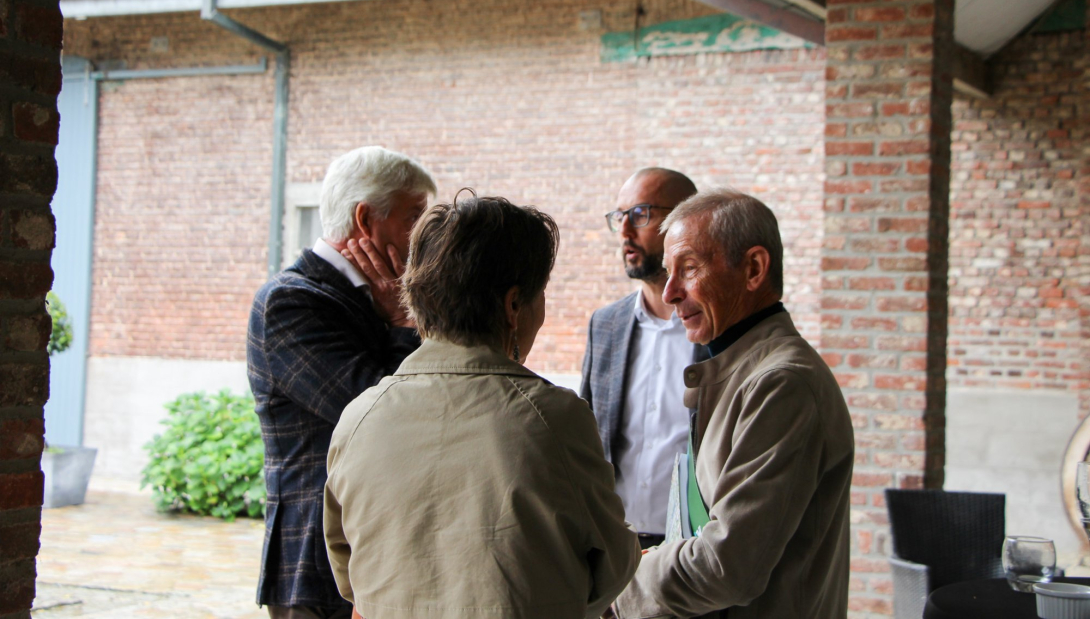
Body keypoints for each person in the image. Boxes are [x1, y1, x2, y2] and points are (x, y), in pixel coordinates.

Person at [324, 192, 640, 619]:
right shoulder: (553, 418)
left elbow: (349, 573)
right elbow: (612, 568)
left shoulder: (358, 419)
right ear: (513, 306)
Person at [612, 188, 854, 619]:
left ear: (754, 269)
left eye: (688, 269)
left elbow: (727, 566)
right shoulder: (739, 368)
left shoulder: (782, 384)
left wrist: (623, 591)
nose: (669, 294)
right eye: (668, 272)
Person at [248, 146, 436, 619]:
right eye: (416, 216)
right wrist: (401, 321)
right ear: (366, 218)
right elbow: (383, 417)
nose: (426, 237)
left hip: (386, 554)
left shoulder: (379, 293)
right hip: (316, 566)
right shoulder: (290, 303)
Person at [580, 167, 700, 550]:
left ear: (685, 223)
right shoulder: (606, 325)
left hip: (693, 551)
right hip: (613, 545)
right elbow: (588, 440)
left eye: (641, 214)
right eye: (619, 217)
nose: (625, 232)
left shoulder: (716, 330)